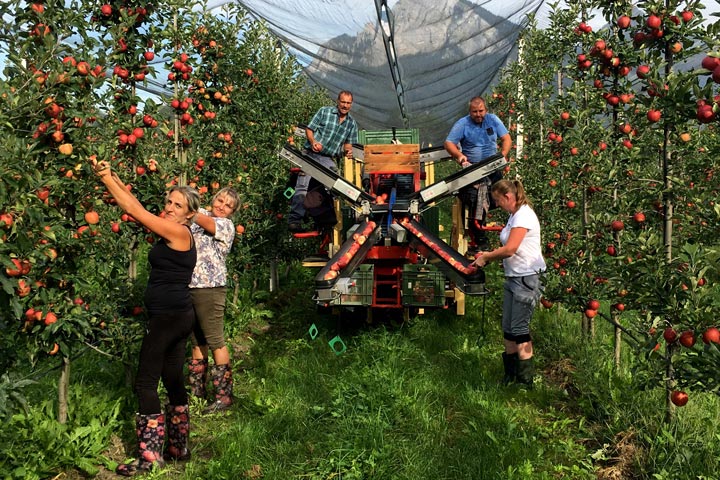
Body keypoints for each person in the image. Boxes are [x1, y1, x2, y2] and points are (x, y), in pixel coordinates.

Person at [92, 159, 200, 476]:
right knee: (172, 379)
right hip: (179, 315)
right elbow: (139, 207)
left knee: (145, 383)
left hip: (168, 317)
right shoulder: (175, 232)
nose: (169, 207)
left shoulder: (179, 232)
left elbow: (136, 212)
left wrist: (105, 179)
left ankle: (149, 458)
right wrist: (112, 176)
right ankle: (178, 447)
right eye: (168, 201)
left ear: (189, 214)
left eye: (177, 205)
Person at [472, 179, 546, 388]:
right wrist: (487, 254)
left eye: (497, 200)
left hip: (527, 278)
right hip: (514, 276)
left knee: (520, 329)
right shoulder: (514, 216)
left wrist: (487, 257)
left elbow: (511, 248)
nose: (497, 205)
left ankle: (525, 382)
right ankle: (510, 375)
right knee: (508, 327)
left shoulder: (524, 215)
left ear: (508, 197)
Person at [186, 187, 239, 414]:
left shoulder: (225, 226)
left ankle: (223, 396)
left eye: (228, 205)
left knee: (215, 339)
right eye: (220, 200)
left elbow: (205, 221)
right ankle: (197, 393)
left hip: (211, 288)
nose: (222, 206)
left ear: (232, 212)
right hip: (189, 285)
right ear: (213, 198)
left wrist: (189, 210)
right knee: (197, 341)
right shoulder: (201, 214)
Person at [444, 96, 512, 252]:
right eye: (474, 112)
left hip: (493, 168)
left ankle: (500, 232)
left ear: (485, 110)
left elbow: (506, 138)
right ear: (470, 112)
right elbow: (449, 143)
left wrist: (503, 154)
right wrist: (460, 156)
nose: (478, 114)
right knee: (475, 200)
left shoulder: (493, 120)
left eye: (481, 111)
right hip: (473, 170)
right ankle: (479, 239)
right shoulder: (463, 123)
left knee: (498, 197)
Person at [288, 90, 358, 232]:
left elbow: (348, 145)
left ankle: (324, 219)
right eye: (343, 102)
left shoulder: (351, 124)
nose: (345, 105)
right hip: (310, 154)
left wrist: (348, 150)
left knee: (336, 185)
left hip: (327, 158)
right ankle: (295, 220)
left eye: (348, 103)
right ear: (338, 102)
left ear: (351, 104)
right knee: (302, 185)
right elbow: (309, 129)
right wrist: (313, 141)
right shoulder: (324, 112)